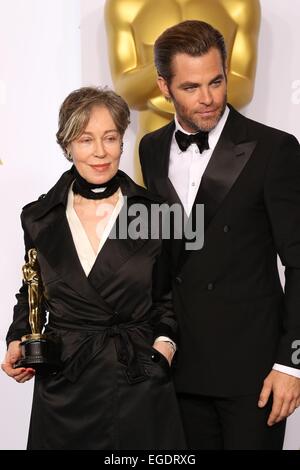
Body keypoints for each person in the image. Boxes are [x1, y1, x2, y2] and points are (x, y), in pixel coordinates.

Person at [139, 20, 300, 450]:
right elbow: (163, 254)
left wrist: (292, 363)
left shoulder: (274, 149)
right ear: (164, 86)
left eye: (216, 81)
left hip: (254, 374)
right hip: (179, 365)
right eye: (191, 87)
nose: (208, 98)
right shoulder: (150, 148)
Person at [1, 86, 186, 450]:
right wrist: (15, 338)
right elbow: (32, 289)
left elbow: (171, 295)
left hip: (136, 377)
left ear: (122, 141)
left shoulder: (156, 214)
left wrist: (163, 349)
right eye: (86, 140)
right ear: (67, 145)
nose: (100, 152)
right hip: (65, 380)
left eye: (110, 138)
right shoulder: (38, 218)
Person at [105, 0, 260, 182]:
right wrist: (172, 63)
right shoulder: (125, 5)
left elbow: (244, 86)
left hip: (222, 144)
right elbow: (126, 93)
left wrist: (171, 79)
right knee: (152, 210)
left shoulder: (240, 4)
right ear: (163, 83)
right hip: (155, 143)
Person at [22, 248, 42, 335]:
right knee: (33, 308)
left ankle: (38, 331)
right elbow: (26, 279)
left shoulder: (39, 267)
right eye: (33, 255)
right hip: (32, 288)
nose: (34, 257)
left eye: (36, 255)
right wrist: (34, 276)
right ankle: (34, 332)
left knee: (39, 310)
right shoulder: (26, 267)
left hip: (39, 289)